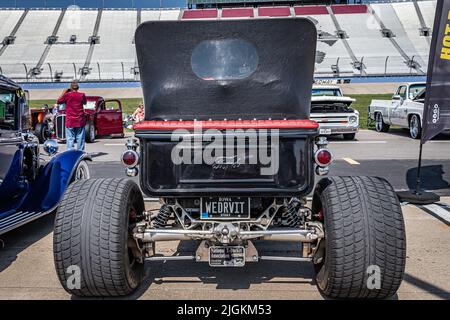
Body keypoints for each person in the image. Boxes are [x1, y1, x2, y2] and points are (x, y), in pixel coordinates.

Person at [57, 82, 87, 151]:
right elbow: (85, 102)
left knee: (70, 138)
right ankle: (80, 152)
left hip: (70, 120)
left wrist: (64, 92)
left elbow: (58, 101)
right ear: (78, 88)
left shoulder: (67, 95)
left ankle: (70, 152)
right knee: (80, 138)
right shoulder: (82, 95)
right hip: (79, 119)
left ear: (70, 88)